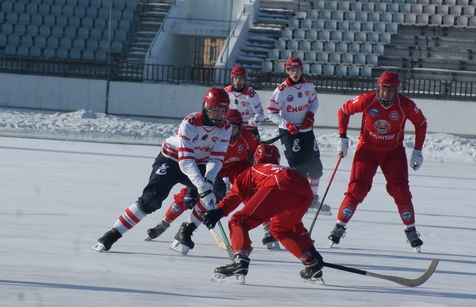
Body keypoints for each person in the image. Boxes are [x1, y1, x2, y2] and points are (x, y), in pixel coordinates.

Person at [92, 87, 232, 252]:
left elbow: (216, 158)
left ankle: (186, 230)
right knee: (152, 199)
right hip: (172, 159)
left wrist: (208, 181)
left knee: (217, 190)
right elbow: (186, 161)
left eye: (222, 110)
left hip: (200, 163)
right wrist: (200, 184)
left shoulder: (226, 127)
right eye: (214, 109)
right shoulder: (190, 122)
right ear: (206, 106)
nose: (218, 114)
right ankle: (112, 234)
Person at [328, 71, 428, 251]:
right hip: (367, 150)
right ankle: (339, 226)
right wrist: (342, 137)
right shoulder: (367, 100)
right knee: (357, 188)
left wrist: (418, 151)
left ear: (397, 90)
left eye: (390, 90)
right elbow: (343, 111)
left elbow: (421, 123)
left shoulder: (405, 105)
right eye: (383, 89)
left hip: (393, 152)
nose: (385, 94)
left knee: (401, 190)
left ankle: (411, 230)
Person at [203, 144, 325, 285]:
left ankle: (239, 260)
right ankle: (310, 264)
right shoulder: (285, 170)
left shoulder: (253, 169)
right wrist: (310, 249)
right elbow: (296, 225)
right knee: (279, 228)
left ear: (256, 158)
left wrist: (219, 211)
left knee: (238, 221)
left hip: (277, 185)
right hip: (305, 190)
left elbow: (235, 194)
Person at [145, 109, 260, 254]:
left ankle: (188, 228)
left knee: (214, 199)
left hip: (227, 170)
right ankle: (164, 223)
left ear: (240, 127)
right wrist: (194, 188)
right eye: (229, 126)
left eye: (235, 127)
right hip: (207, 171)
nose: (231, 131)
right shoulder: (215, 136)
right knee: (185, 199)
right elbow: (197, 160)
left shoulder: (246, 137)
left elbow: (257, 150)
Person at [266, 57, 329, 237]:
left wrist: (310, 115)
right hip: (290, 133)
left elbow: (314, 102)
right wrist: (287, 124)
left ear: (302, 70)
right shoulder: (281, 90)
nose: (295, 73)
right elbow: (271, 113)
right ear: (287, 71)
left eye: (298, 69)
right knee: (298, 170)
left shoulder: (308, 85)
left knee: (315, 167)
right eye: (292, 70)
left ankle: (313, 199)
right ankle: (296, 201)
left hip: (307, 131)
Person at [224, 66, 265, 140]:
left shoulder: (251, 94)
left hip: (248, 128)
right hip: (232, 127)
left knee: (255, 149)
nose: (238, 81)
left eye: (241, 78)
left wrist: (255, 119)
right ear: (232, 79)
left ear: (244, 79)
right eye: (235, 78)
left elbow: (260, 114)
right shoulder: (226, 92)